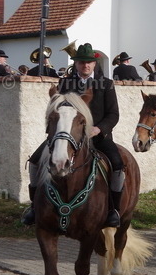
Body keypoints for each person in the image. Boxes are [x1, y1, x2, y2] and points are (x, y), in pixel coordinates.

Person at [22, 44, 124, 228]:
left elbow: (113, 114)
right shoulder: (65, 83)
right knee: (35, 161)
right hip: (67, 136)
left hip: (98, 137)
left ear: (94, 63)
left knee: (117, 164)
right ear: (76, 64)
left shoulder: (106, 83)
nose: (85, 66)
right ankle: (34, 208)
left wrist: (98, 129)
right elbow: (55, 111)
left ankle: (113, 210)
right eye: (81, 62)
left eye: (89, 62)